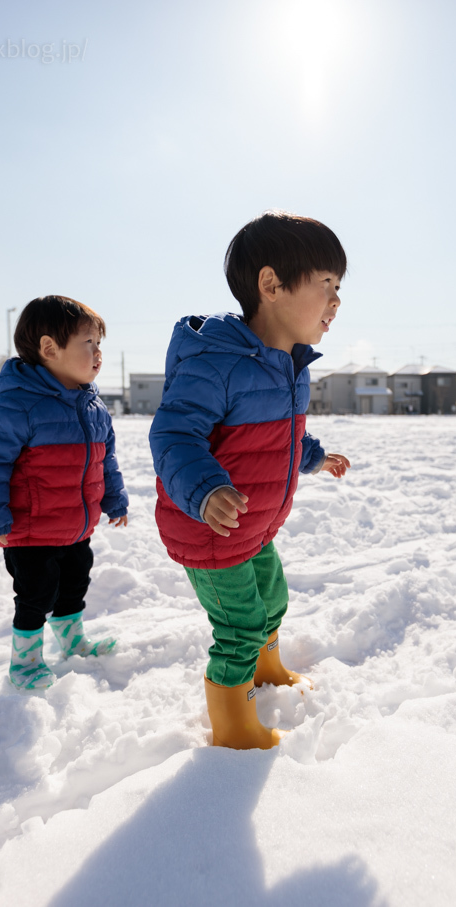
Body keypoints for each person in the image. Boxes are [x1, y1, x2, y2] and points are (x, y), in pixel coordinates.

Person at [150, 211, 352, 749]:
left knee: (272, 597)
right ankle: (234, 727)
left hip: (253, 525)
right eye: (326, 285)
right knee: (239, 625)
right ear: (271, 285)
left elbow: (275, 437)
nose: (336, 301)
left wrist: (313, 456)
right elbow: (174, 436)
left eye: (340, 288)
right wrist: (207, 489)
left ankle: (266, 671)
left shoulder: (290, 365)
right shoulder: (217, 363)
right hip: (210, 527)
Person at [0, 296, 129, 691]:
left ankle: (73, 640)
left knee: (75, 583)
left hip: (76, 525)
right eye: (89, 344)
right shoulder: (19, 405)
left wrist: (115, 499)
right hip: (31, 529)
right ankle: (25, 662)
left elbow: (106, 460)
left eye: (99, 345)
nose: (98, 354)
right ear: (50, 349)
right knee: (36, 594)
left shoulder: (92, 406)